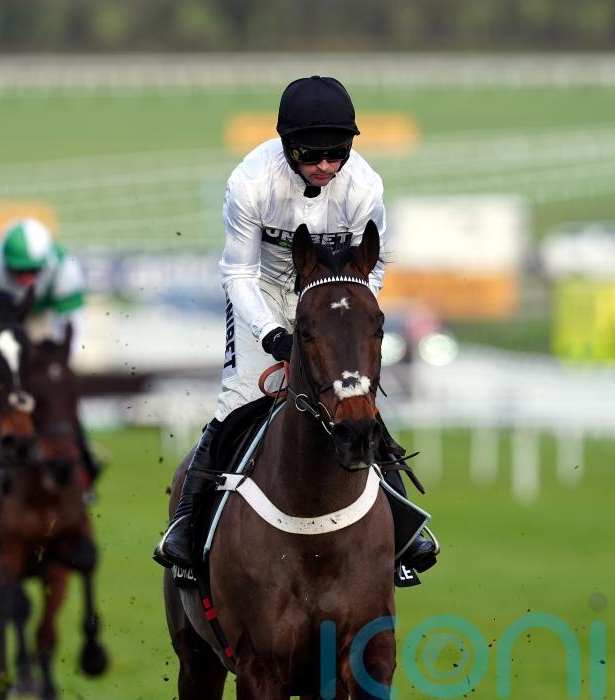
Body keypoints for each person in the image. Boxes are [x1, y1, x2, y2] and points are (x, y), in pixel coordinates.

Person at [153, 76, 439, 573]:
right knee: (240, 397)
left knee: (354, 394)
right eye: (312, 154)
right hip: (263, 289)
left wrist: (347, 324)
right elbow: (238, 273)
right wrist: (272, 335)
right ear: (287, 145)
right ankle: (186, 524)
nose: (326, 166)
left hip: (333, 292)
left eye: (338, 153)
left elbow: (370, 270)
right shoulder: (250, 183)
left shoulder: (365, 187)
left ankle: (402, 528)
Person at [0, 217, 102, 492]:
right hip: (3, 321)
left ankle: (85, 471)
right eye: (18, 271)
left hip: (43, 321)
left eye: (33, 271)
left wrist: (55, 363)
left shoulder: (64, 270)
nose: (26, 279)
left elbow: (72, 324)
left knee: (56, 391)